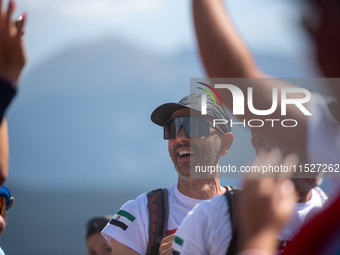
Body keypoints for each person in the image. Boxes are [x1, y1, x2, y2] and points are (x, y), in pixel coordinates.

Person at [101, 94, 234, 255]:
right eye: (173, 128)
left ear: (224, 143)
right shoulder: (139, 214)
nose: (180, 137)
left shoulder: (252, 210)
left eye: (194, 126)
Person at [171, 129, 329, 255]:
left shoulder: (333, 217)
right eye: (300, 134)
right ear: (261, 143)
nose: (314, 147)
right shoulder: (209, 218)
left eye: (322, 133)